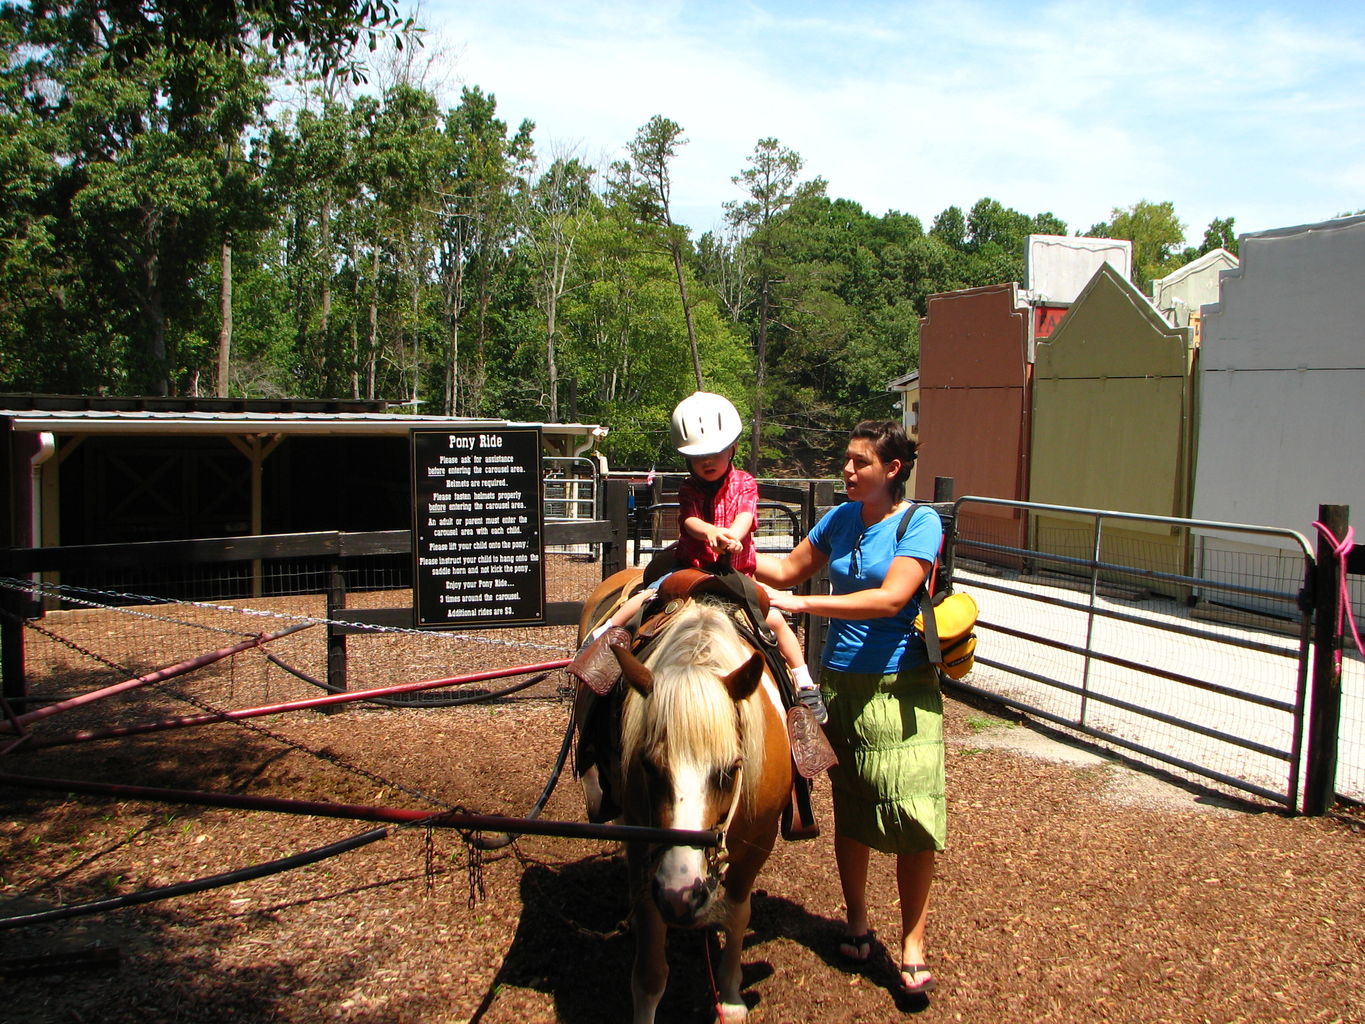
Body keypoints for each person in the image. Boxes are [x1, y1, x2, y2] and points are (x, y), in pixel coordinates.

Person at [754, 419, 945, 999]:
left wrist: (799, 602)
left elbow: (891, 598)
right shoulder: (839, 519)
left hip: (903, 688)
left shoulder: (920, 522)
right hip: (842, 689)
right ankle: (856, 922)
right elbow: (785, 568)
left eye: (860, 462)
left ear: (891, 469)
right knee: (854, 810)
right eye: (846, 460)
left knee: (917, 819)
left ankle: (912, 943)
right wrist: (730, 548)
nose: (847, 470)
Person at [578, 391, 826, 721]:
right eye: (698, 457)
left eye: (715, 453)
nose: (707, 461)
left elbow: (744, 517)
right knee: (645, 597)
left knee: (777, 621)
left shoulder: (745, 483)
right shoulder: (689, 487)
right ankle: (601, 635)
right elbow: (689, 520)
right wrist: (709, 532)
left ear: (732, 449)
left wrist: (733, 538)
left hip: (735, 573)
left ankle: (805, 683)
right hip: (692, 568)